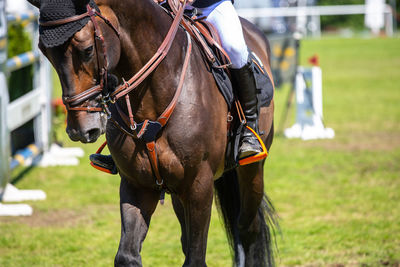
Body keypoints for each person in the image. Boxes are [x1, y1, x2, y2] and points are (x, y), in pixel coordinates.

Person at [91, 0, 267, 174]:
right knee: (131, 46)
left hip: (211, 6)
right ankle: (119, 138)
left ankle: (249, 129)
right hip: (166, 6)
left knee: (235, 49)